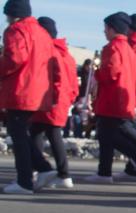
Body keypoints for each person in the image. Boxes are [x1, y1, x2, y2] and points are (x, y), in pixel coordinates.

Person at [83, 12, 136, 185]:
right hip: (122, 98)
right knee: (109, 135)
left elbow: (111, 73)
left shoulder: (112, 47)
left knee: (115, 132)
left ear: (113, 29)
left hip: (111, 99)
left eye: (106, 28)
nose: (104, 31)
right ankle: (107, 171)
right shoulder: (128, 48)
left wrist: (98, 72)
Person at [1, 0, 54, 194]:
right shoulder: (42, 33)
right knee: (21, 132)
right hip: (37, 90)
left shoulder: (15, 30)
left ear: (12, 14)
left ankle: (24, 181)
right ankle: (43, 168)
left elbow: (15, 58)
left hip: (21, 89)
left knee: (18, 135)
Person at [26, 17, 78, 190]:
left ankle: (52, 172)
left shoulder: (50, 51)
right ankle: (57, 173)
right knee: (44, 134)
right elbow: (72, 82)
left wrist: (54, 99)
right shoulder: (65, 53)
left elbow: (57, 78)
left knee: (40, 134)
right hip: (59, 100)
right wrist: (69, 98)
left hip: (50, 100)